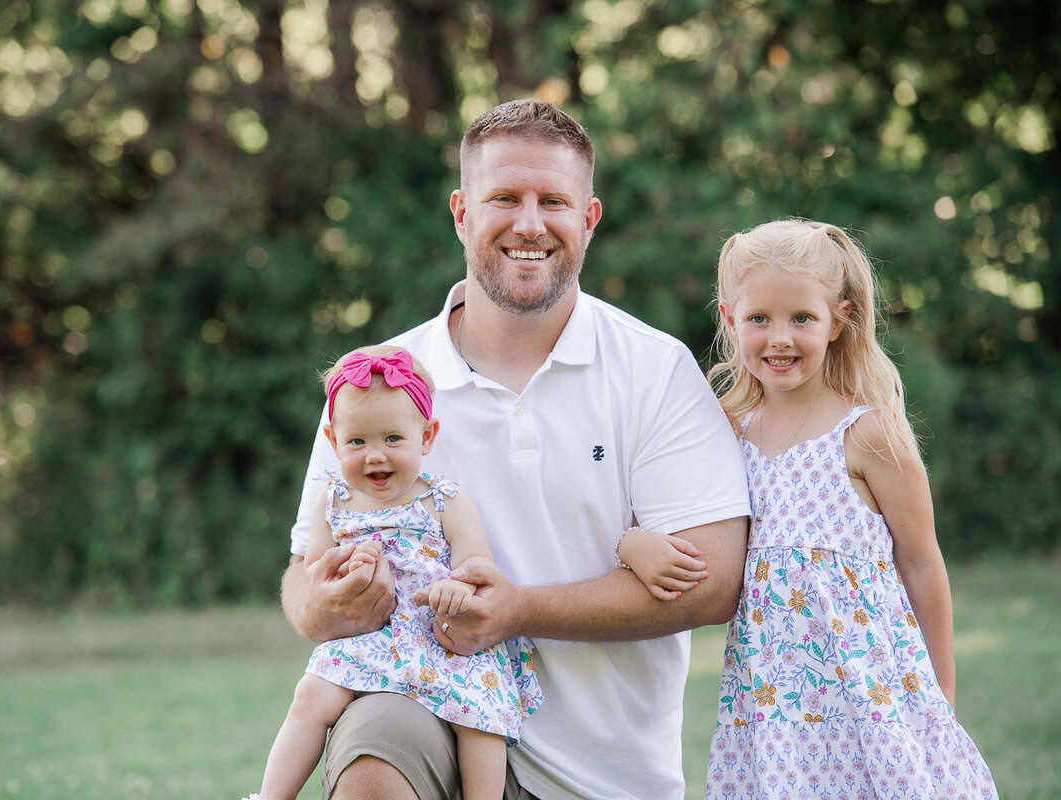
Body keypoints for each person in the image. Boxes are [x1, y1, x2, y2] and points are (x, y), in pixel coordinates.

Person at [282, 98, 752, 800]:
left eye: (552, 201)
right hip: (423, 701)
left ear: (588, 220)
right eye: (503, 197)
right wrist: (322, 608)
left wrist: (520, 609)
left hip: (605, 771)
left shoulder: (654, 369)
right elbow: (301, 579)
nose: (528, 224)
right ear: (461, 214)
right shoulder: (382, 379)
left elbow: (715, 579)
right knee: (373, 755)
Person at [678, 218, 995, 797]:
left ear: (837, 321)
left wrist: (939, 701)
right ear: (729, 318)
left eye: (802, 317)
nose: (780, 337)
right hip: (773, 706)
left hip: (870, 699)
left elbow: (922, 563)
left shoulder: (868, 435)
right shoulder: (723, 432)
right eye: (758, 319)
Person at [254, 346, 542, 800]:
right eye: (357, 442)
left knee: (480, 722)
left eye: (392, 439)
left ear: (426, 437)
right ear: (333, 441)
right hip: (369, 639)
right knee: (310, 698)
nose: (375, 456)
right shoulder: (332, 503)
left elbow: (477, 567)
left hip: (443, 639)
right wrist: (341, 575)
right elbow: (314, 574)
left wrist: (455, 586)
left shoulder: (444, 500)